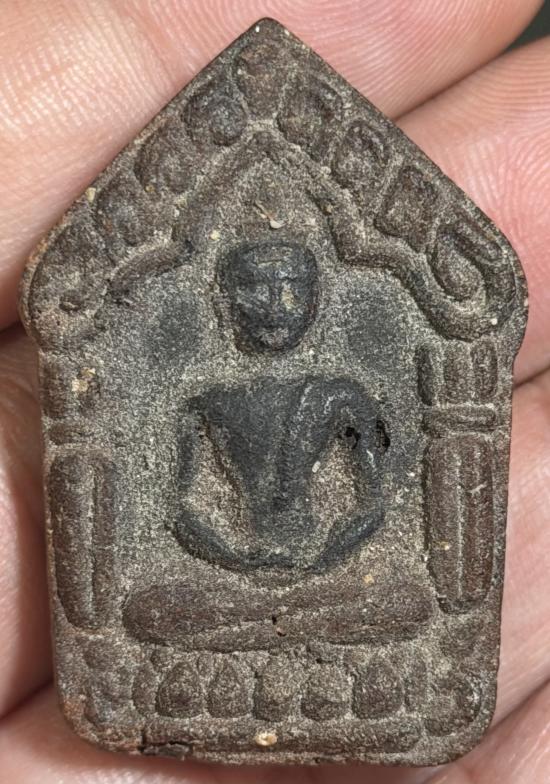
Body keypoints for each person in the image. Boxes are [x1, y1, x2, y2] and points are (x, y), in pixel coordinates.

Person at [0, 2, 549, 782]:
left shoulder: (339, 391)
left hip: (331, 578)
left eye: (291, 289)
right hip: (222, 584)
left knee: (400, 604)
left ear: (316, 299)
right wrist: (231, 553)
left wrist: (328, 549)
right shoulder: (205, 403)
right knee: (154, 610)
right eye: (256, 290)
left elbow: (374, 495)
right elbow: (183, 504)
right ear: (227, 301)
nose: (274, 305)